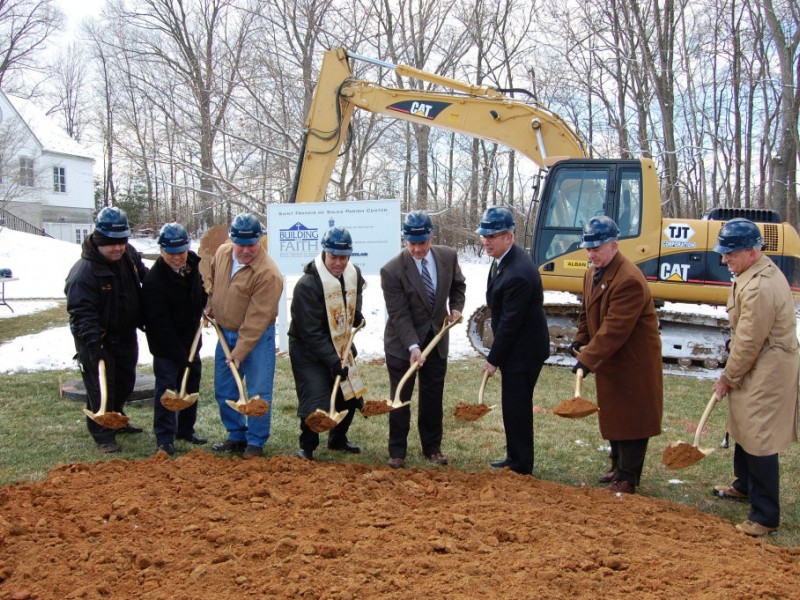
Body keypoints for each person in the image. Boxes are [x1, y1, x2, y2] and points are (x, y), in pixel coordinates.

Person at [710, 218, 799, 537]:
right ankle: (743, 485)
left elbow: (749, 341)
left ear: (750, 252)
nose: (724, 260)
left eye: (730, 254)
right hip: (757, 360)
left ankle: (764, 515)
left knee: (758, 433)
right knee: (745, 422)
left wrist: (727, 377)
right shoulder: (751, 271)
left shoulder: (761, 286)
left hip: (769, 366)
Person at [570, 215, 663, 494]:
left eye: (597, 248)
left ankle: (628, 477)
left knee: (633, 416)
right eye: (588, 248)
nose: (591, 253)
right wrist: (579, 339)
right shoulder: (591, 273)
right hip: (612, 357)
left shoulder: (629, 280)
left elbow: (615, 328)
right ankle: (616, 466)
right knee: (614, 411)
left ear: (614, 245)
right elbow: (588, 312)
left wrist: (586, 361)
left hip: (633, 360)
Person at [380, 211, 466, 468]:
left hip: (437, 340)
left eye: (422, 243)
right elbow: (399, 313)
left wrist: (457, 307)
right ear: (404, 240)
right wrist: (413, 347)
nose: (417, 249)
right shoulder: (392, 270)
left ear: (432, 238)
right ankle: (397, 451)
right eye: (412, 243)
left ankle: (432, 447)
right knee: (400, 397)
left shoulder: (447, 257)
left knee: (432, 396)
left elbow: (458, 286)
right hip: (402, 344)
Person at [64, 206, 148, 453]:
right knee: (100, 386)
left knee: (125, 382)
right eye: (112, 243)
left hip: (124, 333)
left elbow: (146, 278)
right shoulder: (84, 273)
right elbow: (81, 313)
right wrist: (94, 345)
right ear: (99, 240)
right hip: (96, 337)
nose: (118, 248)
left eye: (122, 242)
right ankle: (103, 435)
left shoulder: (128, 256)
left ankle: (116, 418)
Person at [478, 206, 549, 475]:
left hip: (524, 350)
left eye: (493, 236)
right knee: (512, 404)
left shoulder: (518, 271)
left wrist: (494, 358)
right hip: (517, 347)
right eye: (484, 235)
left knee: (517, 406)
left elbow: (510, 322)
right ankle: (514, 456)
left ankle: (521, 464)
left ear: (509, 236)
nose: (486, 241)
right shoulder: (503, 261)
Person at [206, 213, 283, 459]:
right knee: (225, 389)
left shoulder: (268, 273)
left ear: (259, 241)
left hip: (257, 337)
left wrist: (239, 352)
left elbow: (258, 319)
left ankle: (255, 442)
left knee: (258, 392)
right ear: (233, 240)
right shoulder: (223, 253)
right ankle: (236, 436)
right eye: (241, 244)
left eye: (252, 245)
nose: (246, 250)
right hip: (224, 332)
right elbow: (214, 279)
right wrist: (210, 302)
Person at [289, 227, 366, 460]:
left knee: (350, 395)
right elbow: (310, 332)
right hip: (307, 348)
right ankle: (307, 445)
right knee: (316, 397)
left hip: (339, 343)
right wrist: (333, 362)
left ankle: (338, 439)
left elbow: (351, 307)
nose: (339, 263)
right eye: (334, 257)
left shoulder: (354, 275)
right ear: (324, 253)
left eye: (344, 257)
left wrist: (357, 317)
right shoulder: (307, 285)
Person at [142, 223, 208, 456]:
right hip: (167, 348)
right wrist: (180, 355)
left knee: (190, 386)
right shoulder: (154, 281)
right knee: (167, 391)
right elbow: (160, 325)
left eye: (180, 252)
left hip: (191, 343)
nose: (177, 257)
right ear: (162, 251)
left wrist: (205, 301)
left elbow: (198, 290)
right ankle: (164, 437)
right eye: (171, 253)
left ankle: (185, 429)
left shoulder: (191, 266)